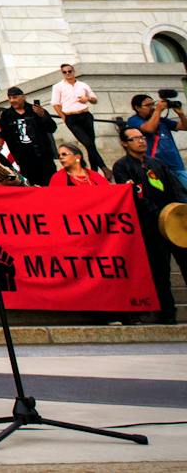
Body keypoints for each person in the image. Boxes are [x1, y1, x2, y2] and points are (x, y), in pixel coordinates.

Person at [112, 126, 187, 323]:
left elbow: (176, 187)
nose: (141, 141)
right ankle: (167, 313)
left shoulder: (158, 163)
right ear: (124, 143)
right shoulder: (122, 166)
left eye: (142, 137)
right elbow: (133, 196)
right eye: (135, 138)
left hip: (174, 222)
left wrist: (177, 207)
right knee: (160, 271)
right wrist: (157, 212)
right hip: (151, 225)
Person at [126, 93, 186, 198]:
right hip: (156, 167)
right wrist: (158, 110)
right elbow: (149, 129)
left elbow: (184, 127)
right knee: (171, 197)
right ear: (137, 108)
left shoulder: (161, 120)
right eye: (148, 105)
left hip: (175, 164)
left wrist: (181, 114)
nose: (152, 107)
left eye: (153, 104)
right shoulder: (134, 120)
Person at [51, 62, 107, 174]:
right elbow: (55, 104)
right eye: (64, 72)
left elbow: (95, 100)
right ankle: (104, 168)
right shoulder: (58, 87)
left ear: (74, 71)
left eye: (69, 71)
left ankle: (94, 171)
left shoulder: (83, 85)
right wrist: (64, 118)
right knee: (88, 143)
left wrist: (87, 99)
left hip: (85, 115)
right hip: (71, 118)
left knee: (91, 144)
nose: (67, 74)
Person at [0, 86, 59, 186]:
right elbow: (5, 136)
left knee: (51, 183)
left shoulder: (36, 110)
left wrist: (43, 116)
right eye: (10, 98)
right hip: (24, 159)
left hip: (43, 156)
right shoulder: (6, 115)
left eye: (15, 97)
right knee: (31, 186)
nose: (12, 100)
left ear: (23, 97)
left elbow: (52, 128)